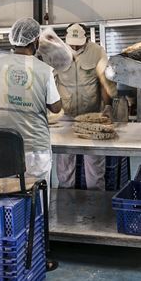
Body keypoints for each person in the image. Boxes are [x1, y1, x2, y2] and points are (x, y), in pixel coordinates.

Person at [0, 18, 63, 178]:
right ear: (35, 41)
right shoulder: (44, 70)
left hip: (4, 145)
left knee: (9, 191)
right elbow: (56, 107)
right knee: (36, 190)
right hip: (34, 148)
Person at [54, 23, 117, 190]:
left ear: (86, 39)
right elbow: (50, 82)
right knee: (65, 160)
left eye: (78, 44)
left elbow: (104, 81)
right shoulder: (57, 53)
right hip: (66, 115)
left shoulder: (97, 52)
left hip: (92, 115)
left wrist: (108, 106)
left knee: (94, 161)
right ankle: (66, 194)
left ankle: (96, 196)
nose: (75, 47)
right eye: (71, 44)